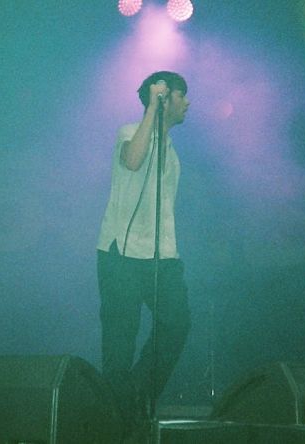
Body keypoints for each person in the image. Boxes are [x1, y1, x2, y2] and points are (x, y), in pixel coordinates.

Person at [96, 71, 192, 433]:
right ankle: (117, 426)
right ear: (166, 98)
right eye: (182, 96)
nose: (188, 103)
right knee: (119, 346)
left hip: (162, 257)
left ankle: (136, 392)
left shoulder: (172, 149)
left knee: (177, 323)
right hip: (121, 256)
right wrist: (153, 107)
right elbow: (133, 161)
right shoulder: (128, 133)